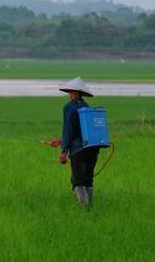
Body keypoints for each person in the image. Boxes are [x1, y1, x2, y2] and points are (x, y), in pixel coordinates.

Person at [49, 77, 99, 210]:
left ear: (75, 93)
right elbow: (80, 131)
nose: (69, 95)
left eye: (70, 92)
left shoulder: (69, 107)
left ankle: (84, 210)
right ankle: (90, 208)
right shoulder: (87, 107)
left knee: (77, 181)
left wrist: (63, 151)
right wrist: (61, 141)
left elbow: (68, 130)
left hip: (78, 150)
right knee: (88, 179)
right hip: (93, 149)